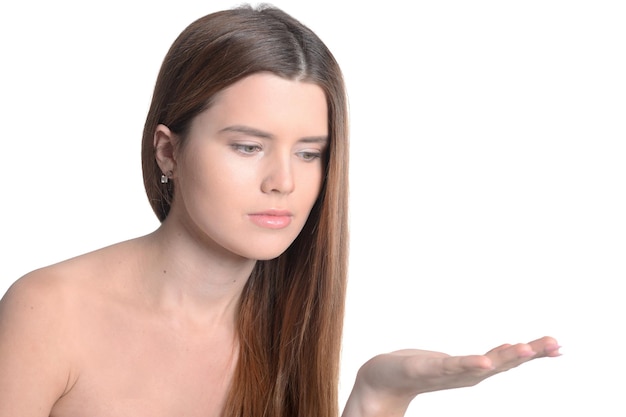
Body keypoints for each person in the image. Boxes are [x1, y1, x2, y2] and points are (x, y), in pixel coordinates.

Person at [0, 4, 560, 417]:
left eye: (310, 153)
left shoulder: (289, 324)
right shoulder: (50, 312)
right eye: (247, 147)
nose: (284, 182)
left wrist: (377, 398)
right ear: (169, 149)